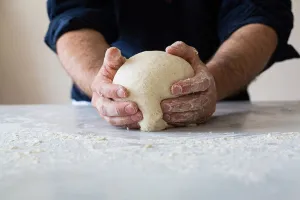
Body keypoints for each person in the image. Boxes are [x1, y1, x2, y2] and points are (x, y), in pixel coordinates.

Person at [45, 0, 299, 129]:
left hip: (221, 99)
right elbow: (72, 13)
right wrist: (99, 83)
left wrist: (214, 80)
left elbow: (261, 14)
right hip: (100, 106)